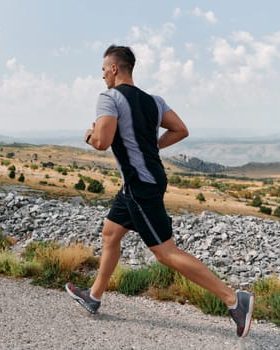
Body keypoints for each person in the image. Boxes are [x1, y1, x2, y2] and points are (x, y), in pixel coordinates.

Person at [65, 44, 254, 338]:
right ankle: (94, 296)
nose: (102, 76)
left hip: (141, 185)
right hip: (143, 181)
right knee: (111, 233)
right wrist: (152, 146)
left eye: (103, 70)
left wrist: (89, 135)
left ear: (114, 68)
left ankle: (234, 300)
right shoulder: (154, 101)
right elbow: (180, 129)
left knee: (165, 252)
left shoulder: (109, 98)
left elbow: (102, 142)